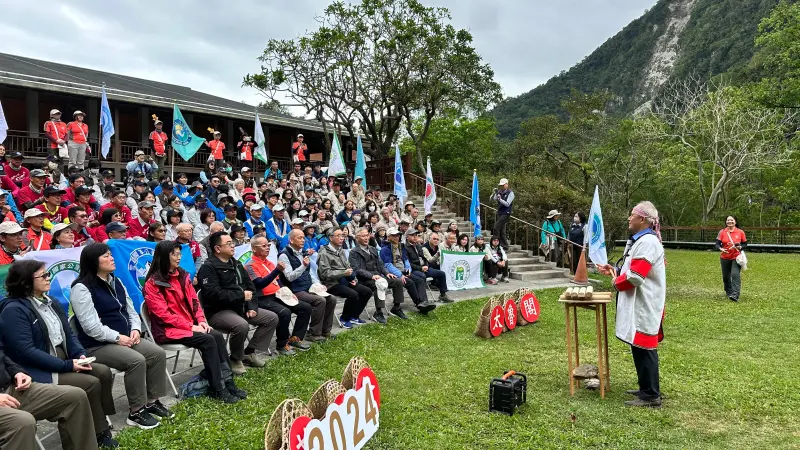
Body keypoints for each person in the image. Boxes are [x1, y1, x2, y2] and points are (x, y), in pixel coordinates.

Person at [0, 259, 118, 447]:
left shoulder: (51, 301)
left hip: (47, 365)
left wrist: (79, 354)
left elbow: (69, 334)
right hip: (40, 368)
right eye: (44, 275)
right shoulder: (14, 310)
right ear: (26, 282)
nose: (49, 278)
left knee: (102, 372)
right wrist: (68, 365)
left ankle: (99, 427)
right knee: (89, 383)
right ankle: (95, 431)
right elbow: (25, 351)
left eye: (48, 274)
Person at [70, 243, 173, 429]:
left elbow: (131, 310)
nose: (112, 259)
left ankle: (151, 401)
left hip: (125, 338)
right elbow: (91, 326)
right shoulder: (81, 288)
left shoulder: (116, 281)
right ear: (94, 262)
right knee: (136, 360)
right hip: (97, 345)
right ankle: (136, 411)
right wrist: (119, 338)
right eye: (106, 256)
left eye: (111, 255)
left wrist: (135, 329)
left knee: (157, 353)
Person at [144, 241, 245, 404]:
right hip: (168, 330)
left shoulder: (182, 275)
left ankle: (228, 382)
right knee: (208, 340)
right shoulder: (153, 284)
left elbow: (194, 301)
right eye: (175, 254)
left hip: (190, 325)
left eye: (179, 254)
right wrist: (191, 326)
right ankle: (217, 388)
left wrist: (201, 320)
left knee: (217, 336)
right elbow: (163, 315)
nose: (179, 257)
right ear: (164, 257)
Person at [596, 201, 666, 408]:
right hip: (640, 301)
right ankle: (645, 387)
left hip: (645, 303)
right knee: (639, 346)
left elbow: (635, 277)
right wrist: (615, 271)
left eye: (632, 215)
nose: (629, 218)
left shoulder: (648, 243)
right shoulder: (641, 240)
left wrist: (616, 282)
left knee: (646, 347)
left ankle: (651, 394)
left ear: (642, 219)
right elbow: (632, 270)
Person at [197, 232, 279, 374]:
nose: (233, 245)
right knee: (241, 325)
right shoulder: (208, 268)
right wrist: (240, 296)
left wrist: (251, 306)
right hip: (219, 311)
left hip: (240, 307)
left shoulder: (237, 264)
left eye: (232, 243)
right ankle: (235, 358)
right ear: (217, 248)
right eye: (228, 243)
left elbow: (250, 287)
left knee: (271, 318)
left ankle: (249, 352)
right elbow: (212, 294)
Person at [0, 346, 101, 450]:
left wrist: (17, 372)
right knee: (23, 422)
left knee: (76, 396)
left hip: (11, 388)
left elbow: (2, 356)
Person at [246, 236, 313, 355]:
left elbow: (278, 282)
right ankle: (281, 345)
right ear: (254, 249)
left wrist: (288, 293)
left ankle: (295, 338)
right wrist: (277, 270)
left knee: (305, 307)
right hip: (262, 298)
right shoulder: (250, 265)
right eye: (264, 246)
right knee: (284, 312)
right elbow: (260, 284)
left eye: (268, 246)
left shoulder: (269, 263)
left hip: (278, 295)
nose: (267, 248)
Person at [278, 229, 337, 341]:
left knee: (331, 298)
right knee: (320, 301)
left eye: (303, 237)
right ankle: (313, 333)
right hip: (295, 290)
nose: (303, 240)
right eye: (299, 237)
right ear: (291, 240)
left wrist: (317, 284)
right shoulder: (284, 255)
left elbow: (309, 273)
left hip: (307, 287)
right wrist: (303, 266)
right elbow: (289, 277)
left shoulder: (302, 253)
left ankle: (325, 331)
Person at [317, 228, 371, 329]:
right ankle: (344, 318)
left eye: (343, 236)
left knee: (366, 291)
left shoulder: (341, 250)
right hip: (331, 283)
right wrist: (343, 273)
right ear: (331, 238)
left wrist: (353, 278)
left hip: (344, 280)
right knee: (353, 294)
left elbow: (348, 266)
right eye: (338, 236)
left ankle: (354, 316)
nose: (342, 238)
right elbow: (324, 273)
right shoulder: (324, 253)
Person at [349, 227, 402, 324]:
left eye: (367, 235)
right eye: (363, 236)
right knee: (379, 284)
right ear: (357, 238)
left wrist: (387, 273)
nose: (366, 238)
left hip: (379, 276)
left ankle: (396, 308)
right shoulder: (353, 252)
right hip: (365, 279)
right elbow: (357, 269)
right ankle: (378, 312)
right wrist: (371, 276)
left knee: (397, 281)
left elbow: (381, 265)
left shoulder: (373, 249)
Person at [380, 228, 436, 315]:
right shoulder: (385, 249)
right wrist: (400, 275)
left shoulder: (401, 246)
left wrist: (408, 269)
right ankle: (419, 304)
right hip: (394, 274)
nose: (397, 237)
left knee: (420, 280)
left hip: (404, 271)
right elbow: (388, 265)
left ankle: (424, 302)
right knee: (410, 282)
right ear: (388, 237)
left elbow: (406, 260)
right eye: (394, 236)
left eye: (398, 235)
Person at [406, 229, 452, 302]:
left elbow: (425, 259)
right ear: (407, 237)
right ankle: (423, 300)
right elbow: (407, 264)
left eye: (416, 235)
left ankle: (443, 295)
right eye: (412, 235)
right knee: (422, 276)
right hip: (414, 270)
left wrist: (426, 265)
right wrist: (421, 268)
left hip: (425, 268)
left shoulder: (418, 246)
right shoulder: (405, 247)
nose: (415, 237)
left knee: (441, 273)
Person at [715, 215, 747, 302]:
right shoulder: (722, 232)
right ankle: (729, 291)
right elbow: (717, 244)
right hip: (724, 257)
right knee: (726, 277)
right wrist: (721, 248)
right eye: (728, 220)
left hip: (736, 257)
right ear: (726, 222)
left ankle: (735, 294)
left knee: (735, 274)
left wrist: (739, 247)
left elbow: (745, 244)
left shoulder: (740, 232)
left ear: (735, 222)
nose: (730, 222)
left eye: (731, 220)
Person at [490, 178, 514, 249]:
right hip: (500, 212)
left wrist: (500, 199)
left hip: (506, 213)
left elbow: (507, 204)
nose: (502, 186)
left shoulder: (511, 193)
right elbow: (492, 199)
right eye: (501, 185)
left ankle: (496, 243)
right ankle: (505, 246)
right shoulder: (499, 192)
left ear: (507, 184)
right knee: (502, 230)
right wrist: (494, 193)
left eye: (503, 185)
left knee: (496, 227)